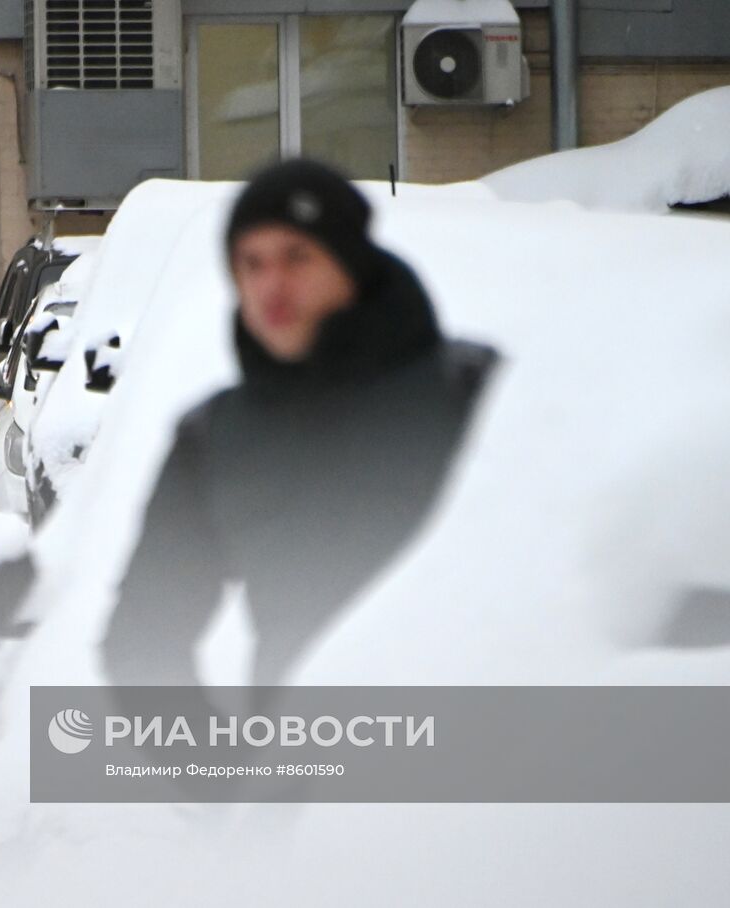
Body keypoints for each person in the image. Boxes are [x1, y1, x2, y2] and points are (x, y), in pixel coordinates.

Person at [100, 159, 497, 687]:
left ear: (352, 263)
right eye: (252, 264)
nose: (273, 288)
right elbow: (142, 637)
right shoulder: (215, 439)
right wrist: (212, 763)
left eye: (298, 257)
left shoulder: (475, 393)